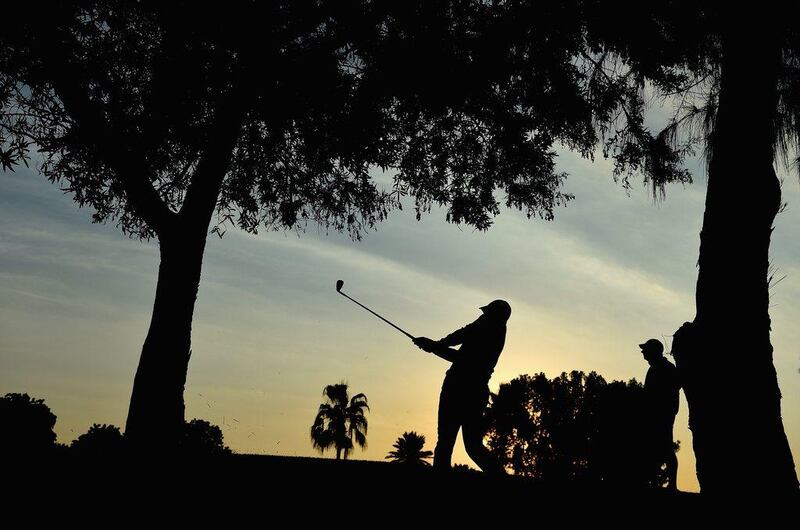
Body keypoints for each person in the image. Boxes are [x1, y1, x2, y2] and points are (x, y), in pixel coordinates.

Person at [413, 300, 510, 474]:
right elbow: (461, 334)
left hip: (460, 390)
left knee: (458, 444)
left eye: (487, 313)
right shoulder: (485, 326)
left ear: (495, 317)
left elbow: (461, 358)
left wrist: (434, 346)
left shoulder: (491, 333)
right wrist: (437, 345)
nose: (482, 316)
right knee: (457, 444)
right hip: (472, 391)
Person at [639, 338, 680, 490]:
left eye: (646, 349)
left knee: (666, 448)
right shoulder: (655, 368)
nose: (643, 352)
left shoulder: (666, 368)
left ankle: (672, 484)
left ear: (653, 351)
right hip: (654, 415)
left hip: (662, 415)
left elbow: (674, 388)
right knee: (653, 448)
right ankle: (655, 483)